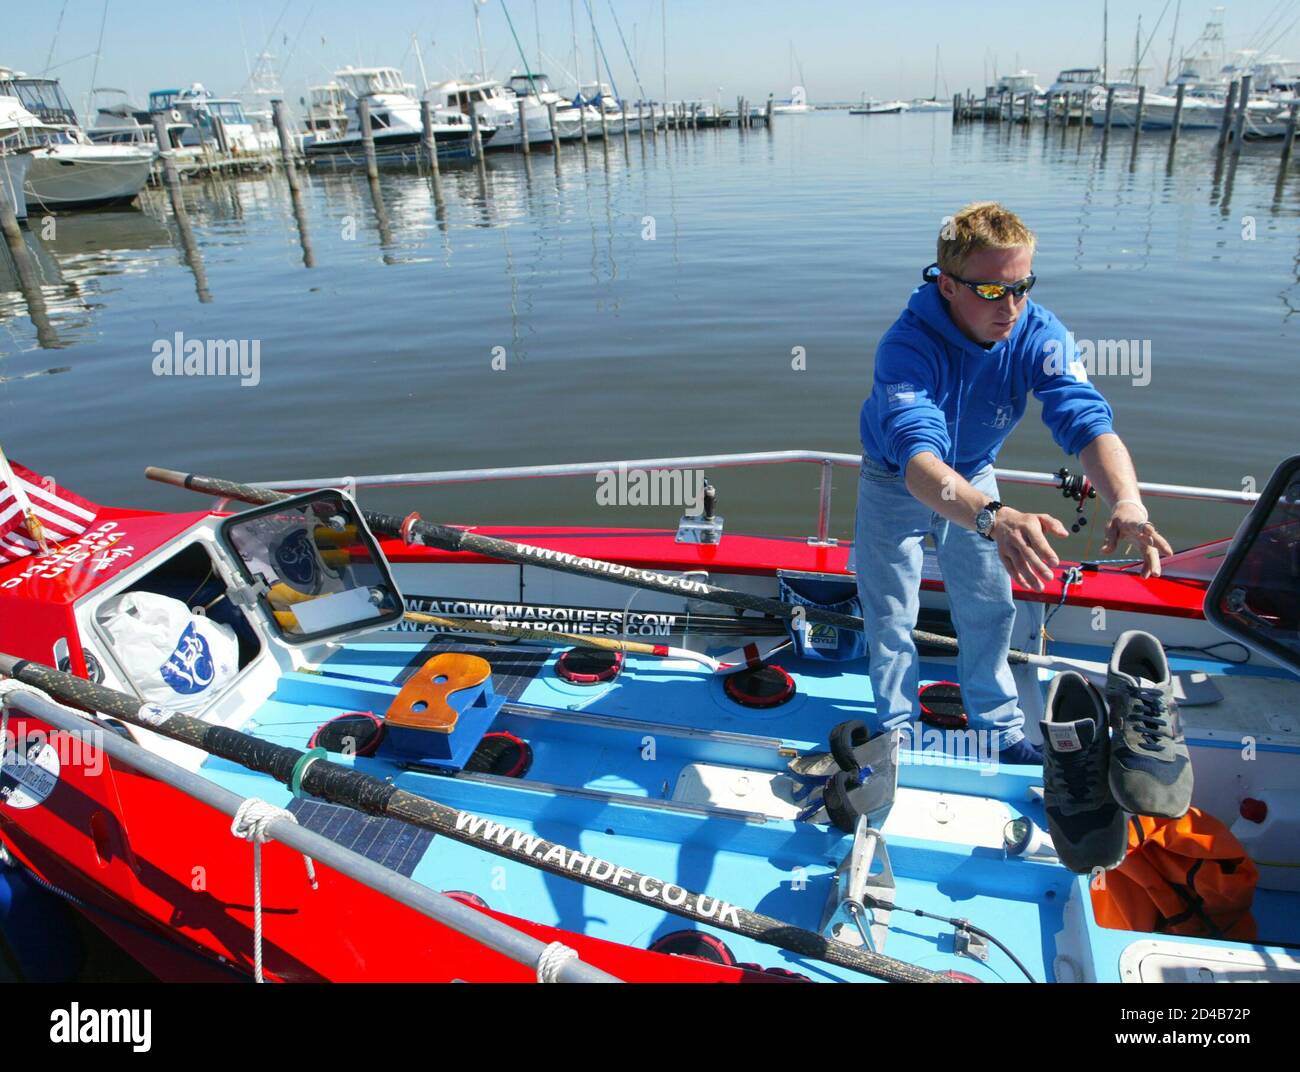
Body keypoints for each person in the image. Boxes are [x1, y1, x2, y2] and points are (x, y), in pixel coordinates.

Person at [854, 202, 1172, 764]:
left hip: (974, 471)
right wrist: (994, 518)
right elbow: (918, 459)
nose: (1014, 306)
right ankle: (898, 730)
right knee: (890, 611)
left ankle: (998, 729)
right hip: (897, 479)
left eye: (1023, 285)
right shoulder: (905, 347)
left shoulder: (1038, 333)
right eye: (994, 291)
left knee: (988, 605)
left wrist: (1127, 500)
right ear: (948, 285)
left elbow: (1087, 420)